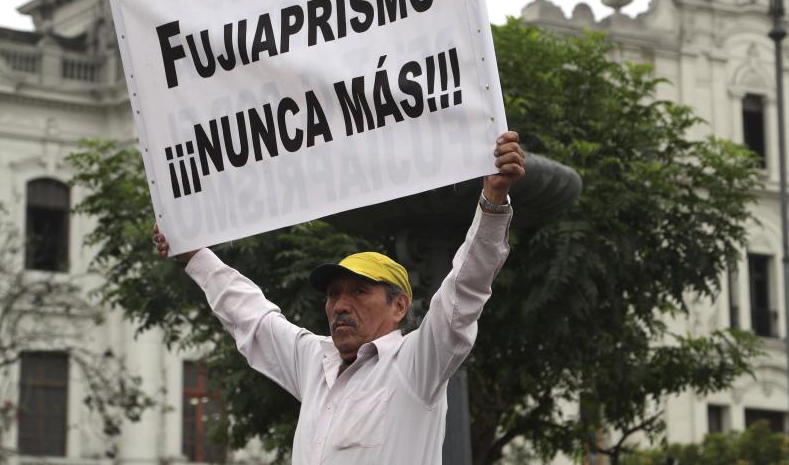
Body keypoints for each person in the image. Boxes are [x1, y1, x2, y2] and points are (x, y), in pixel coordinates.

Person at [153, 131, 526, 465]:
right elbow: (252, 315)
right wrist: (193, 255)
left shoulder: (416, 364)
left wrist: (493, 200)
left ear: (399, 306)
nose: (340, 305)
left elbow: (464, 292)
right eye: (333, 294)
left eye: (359, 291)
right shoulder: (315, 362)